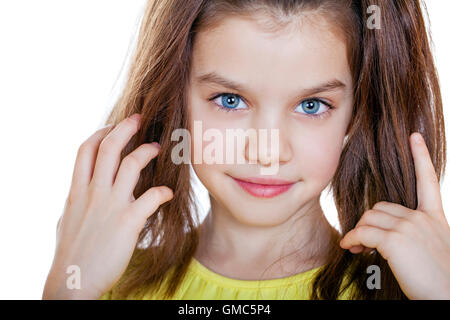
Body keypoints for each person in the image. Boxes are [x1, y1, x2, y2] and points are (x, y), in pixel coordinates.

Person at [42, 0, 449, 300]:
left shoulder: (407, 287)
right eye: (230, 100)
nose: (266, 152)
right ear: (173, 98)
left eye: (312, 105)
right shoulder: (105, 281)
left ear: (357, 113)